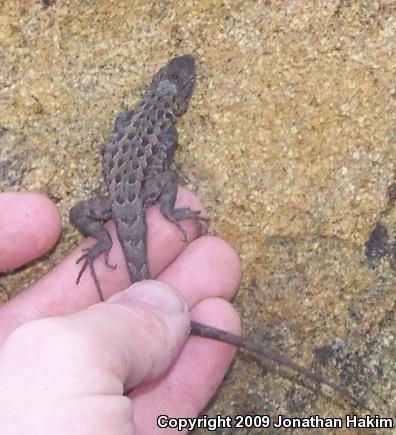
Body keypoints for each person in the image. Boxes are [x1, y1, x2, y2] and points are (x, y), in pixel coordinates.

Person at [0, 189, 241, 434]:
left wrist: (103, 240)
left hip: (120, 197)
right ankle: (166, 212)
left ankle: (105, 241)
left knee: (78, 213)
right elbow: (165, 176)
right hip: (137, 192)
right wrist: (168, 210)